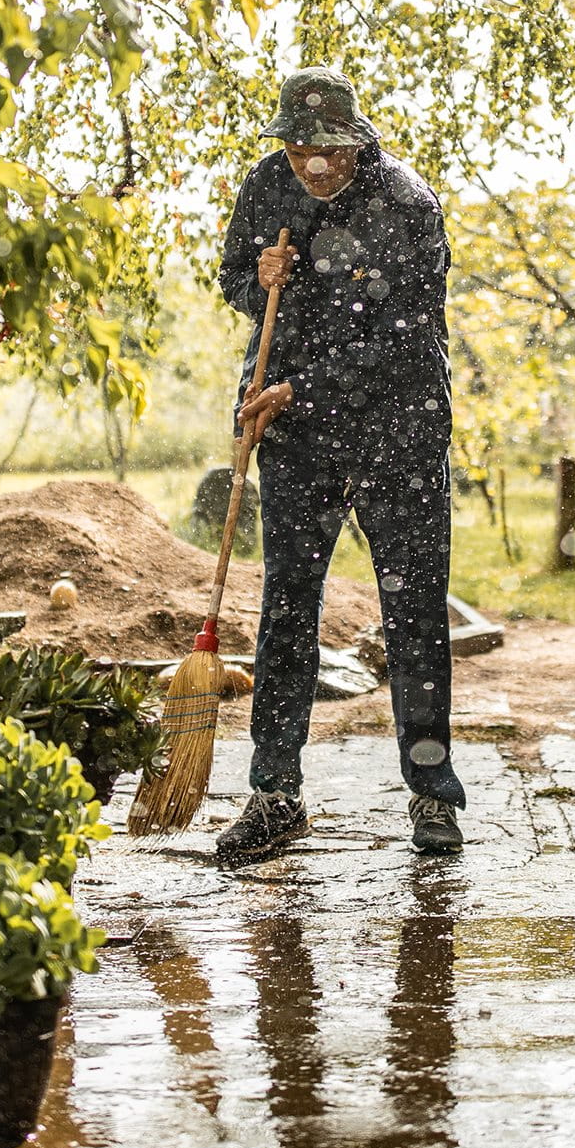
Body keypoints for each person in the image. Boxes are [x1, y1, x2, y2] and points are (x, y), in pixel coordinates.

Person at [211, 67, 464, 866]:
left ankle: (432, 794)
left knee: (414, 611)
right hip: (298, 436)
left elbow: (403, 341)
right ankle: (275, 796)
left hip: (400, 428)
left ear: (355, 138)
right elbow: (231, 282)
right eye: (297, 146)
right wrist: (257, 285)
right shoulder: (265, 187)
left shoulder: (407, 205)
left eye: (327, 148)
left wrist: (299, 387)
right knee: (288, 610)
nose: (313, 164)